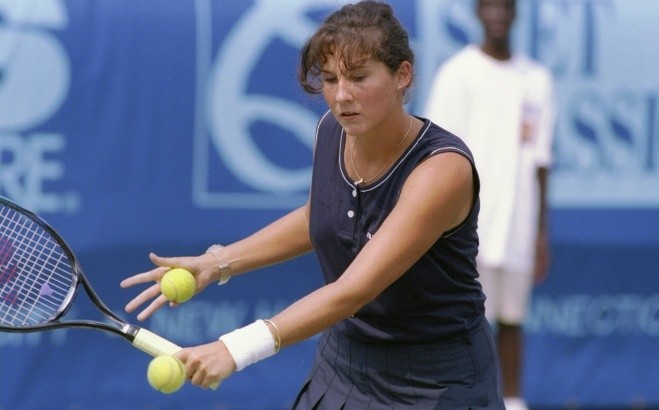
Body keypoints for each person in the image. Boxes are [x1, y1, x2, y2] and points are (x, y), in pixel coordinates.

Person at [121, 1, 504, 408]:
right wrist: (218, 263)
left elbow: (353, 291)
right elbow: (321, 216)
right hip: (345, 362)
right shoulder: (332, 131)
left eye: (358, 77)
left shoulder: (442, 171)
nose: (341, 96)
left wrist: (236, 347)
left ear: (402, 75)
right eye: (329, 78)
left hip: (436, 380)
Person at [424, 0, 555, 409]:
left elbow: (541, 163)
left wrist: (539, 232)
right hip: (464, 225)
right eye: (490, 5)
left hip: (518, 222)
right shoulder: (456, 75)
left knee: (511, 319)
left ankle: (513, 402)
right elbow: (436, 157)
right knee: (463, 322)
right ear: (478, 12)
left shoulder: (537, 79)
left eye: (506, 5)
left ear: (516, 13)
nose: (498, 12)